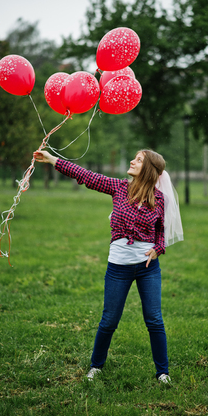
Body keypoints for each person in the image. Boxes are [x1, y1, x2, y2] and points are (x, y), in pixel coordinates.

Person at [34, 149, 183, 383]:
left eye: (139, 160)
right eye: (134, 157)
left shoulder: (159, 199)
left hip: (147, 269)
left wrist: (158, 249)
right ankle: (96, 366)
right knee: (109, 320)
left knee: (154, 319)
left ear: (149, 169)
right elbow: (85, 175)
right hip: (118, 269)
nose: (132, 161)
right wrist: (52, 159)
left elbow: (161, 234)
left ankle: (163, 373)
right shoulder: (119, 187)